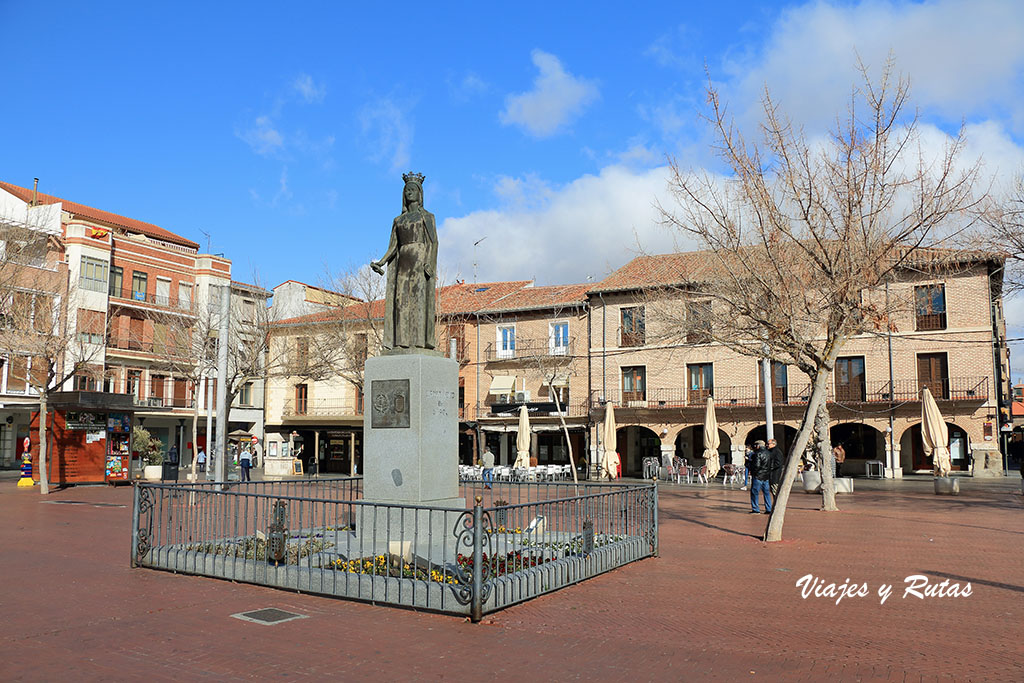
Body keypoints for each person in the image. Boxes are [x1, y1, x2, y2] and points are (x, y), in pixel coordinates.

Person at [371, 172, 438, 352]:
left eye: (412, 190)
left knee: (417, 300)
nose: (409, 193)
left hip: (419, 259)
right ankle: (401, 342)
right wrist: (381, 262)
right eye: (406, 190)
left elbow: (433, 241)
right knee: (400, 301)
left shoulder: (427, 217)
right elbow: (393, 246)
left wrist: (429, 263)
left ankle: (418, 341)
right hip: (403, 261)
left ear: (419, 193)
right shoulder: (398, 220)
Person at [749, 440, 773, 514]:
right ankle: (768, 508)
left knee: (754, 492)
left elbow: (757, 465)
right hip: (766, 476)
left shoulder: (757, 454)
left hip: (758, 476)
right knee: (766, 493)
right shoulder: (769, 453)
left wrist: (753, 472)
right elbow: (771, 465)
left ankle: (756, 509)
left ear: (758, 446)